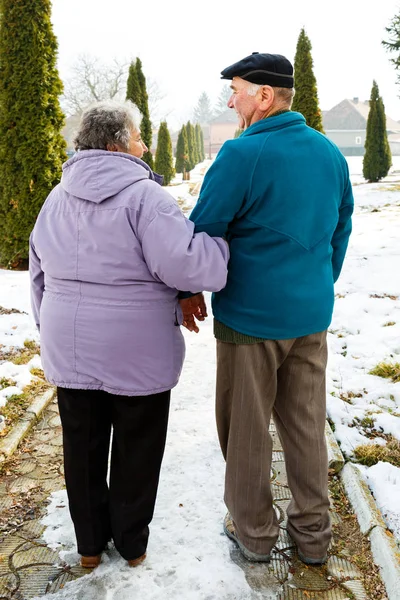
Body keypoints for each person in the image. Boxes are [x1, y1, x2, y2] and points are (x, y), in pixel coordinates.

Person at [29, 100, 229, 569]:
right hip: (135, 348)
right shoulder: (147, 198)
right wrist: (218, 246)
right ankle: (132, 544)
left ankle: (90, 546)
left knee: (81, 444)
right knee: (138, 444)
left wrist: (50, 326)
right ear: (117, 144)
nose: (145, 145)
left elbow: (37, 272)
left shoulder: (56, 198)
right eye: (139, 136)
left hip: (70, 343)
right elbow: (182, 262)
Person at [180, 52, 354, 565]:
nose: (229, 99)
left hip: (250, 321)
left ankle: (256, 536)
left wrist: (189, 287)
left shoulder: (240, 156)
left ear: (263, 95)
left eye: (235, 89)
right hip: (310, 318)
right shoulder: (328, 152)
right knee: (305, 428)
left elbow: (203, 230)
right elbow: (339, 231)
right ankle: (314, 538)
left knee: (247, 430)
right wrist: (315, 285)